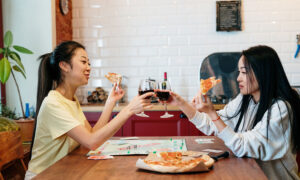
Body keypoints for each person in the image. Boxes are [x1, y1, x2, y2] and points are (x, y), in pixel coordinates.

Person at [167, 45, 300, 180]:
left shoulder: (280, 108)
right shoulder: (245, 99)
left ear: (262, 73)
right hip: (250, 174)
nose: (238, 78)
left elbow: (243, 147)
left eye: (243, 72)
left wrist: (213, 113)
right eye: (239, 72)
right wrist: (181, 103)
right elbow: (212, 125)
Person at [25, 41, 153, 179]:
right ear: (64, 66)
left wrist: (110, 102)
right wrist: (128, 110)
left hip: (63, 172)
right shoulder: (53, 103)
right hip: (43, 176)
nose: (88, 68)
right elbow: (91, 142)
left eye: (89, 63)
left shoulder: (71, 99)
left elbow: (92, 134)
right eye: (83, 62)